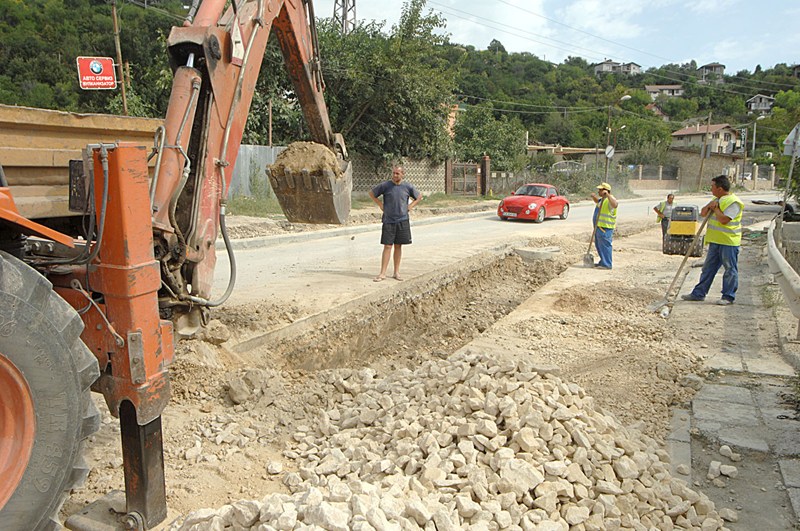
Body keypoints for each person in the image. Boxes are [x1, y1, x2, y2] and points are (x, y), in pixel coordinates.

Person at [681, 175, 743, 305]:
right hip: (715, 241)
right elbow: (703, 213)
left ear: (720, 188)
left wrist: (716, 209)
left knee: (730, 270)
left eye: (712, 186)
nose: (711, 189)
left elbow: (724, 220)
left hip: (729, 242)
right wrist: (710, 206)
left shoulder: (734, 202)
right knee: (708, 269)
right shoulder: (715, 200)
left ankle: (728, 296)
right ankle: (698, 293)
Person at [369, 165, 422, 282]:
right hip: (388, 220)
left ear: (403, 174)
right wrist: (380, 205)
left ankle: (396, 272)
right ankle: (382, 273)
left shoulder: (407, 186)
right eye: (393, 173)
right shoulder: (385, 186)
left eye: (397, 173)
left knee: (398, 245)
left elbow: (419, 197)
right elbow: (372, 194)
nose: (394, 175)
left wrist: (410, 206)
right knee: (387, 246)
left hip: (402, 220)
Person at [590, 182, 618, 270]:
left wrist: (608, 195)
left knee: (605, 246)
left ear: (605, 191)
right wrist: (594, 197)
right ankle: (603, 262)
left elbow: (615, 205)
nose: (598, 191)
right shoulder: (602, 200)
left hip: (605, 228)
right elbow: (597, 202)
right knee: (599, 246)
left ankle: (607, 264)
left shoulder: (610, 199)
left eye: (600, 190)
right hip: (599, 227)